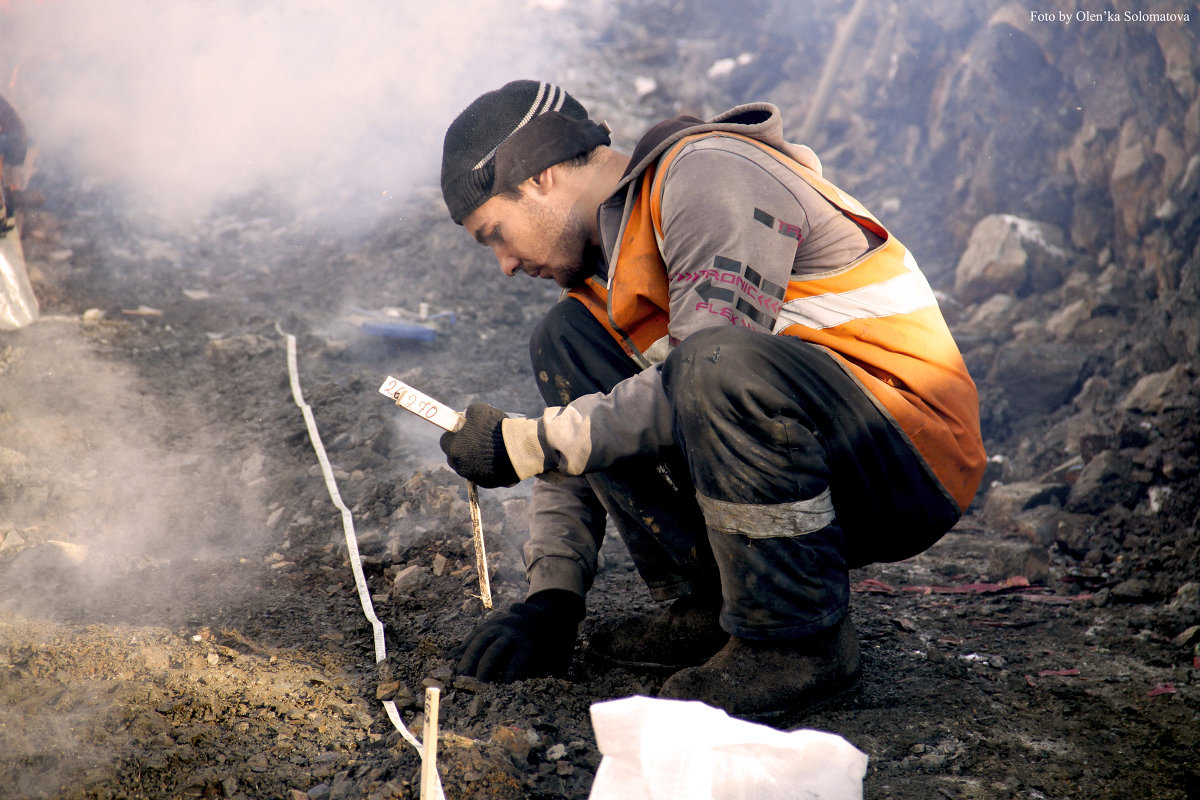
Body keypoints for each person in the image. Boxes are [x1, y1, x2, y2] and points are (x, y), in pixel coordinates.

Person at [436, 80, 986, 722]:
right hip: (825, 447)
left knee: (710, 363)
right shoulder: (606, 268)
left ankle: (796, 639)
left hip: (910, 455)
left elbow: (696, 379)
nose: (504, 263)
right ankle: (722, 605)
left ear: (540, 179)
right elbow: (586, 437)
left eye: (495, 233)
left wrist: (527, 443)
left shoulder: (706, 176)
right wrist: (552, 598)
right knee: (565, 339)